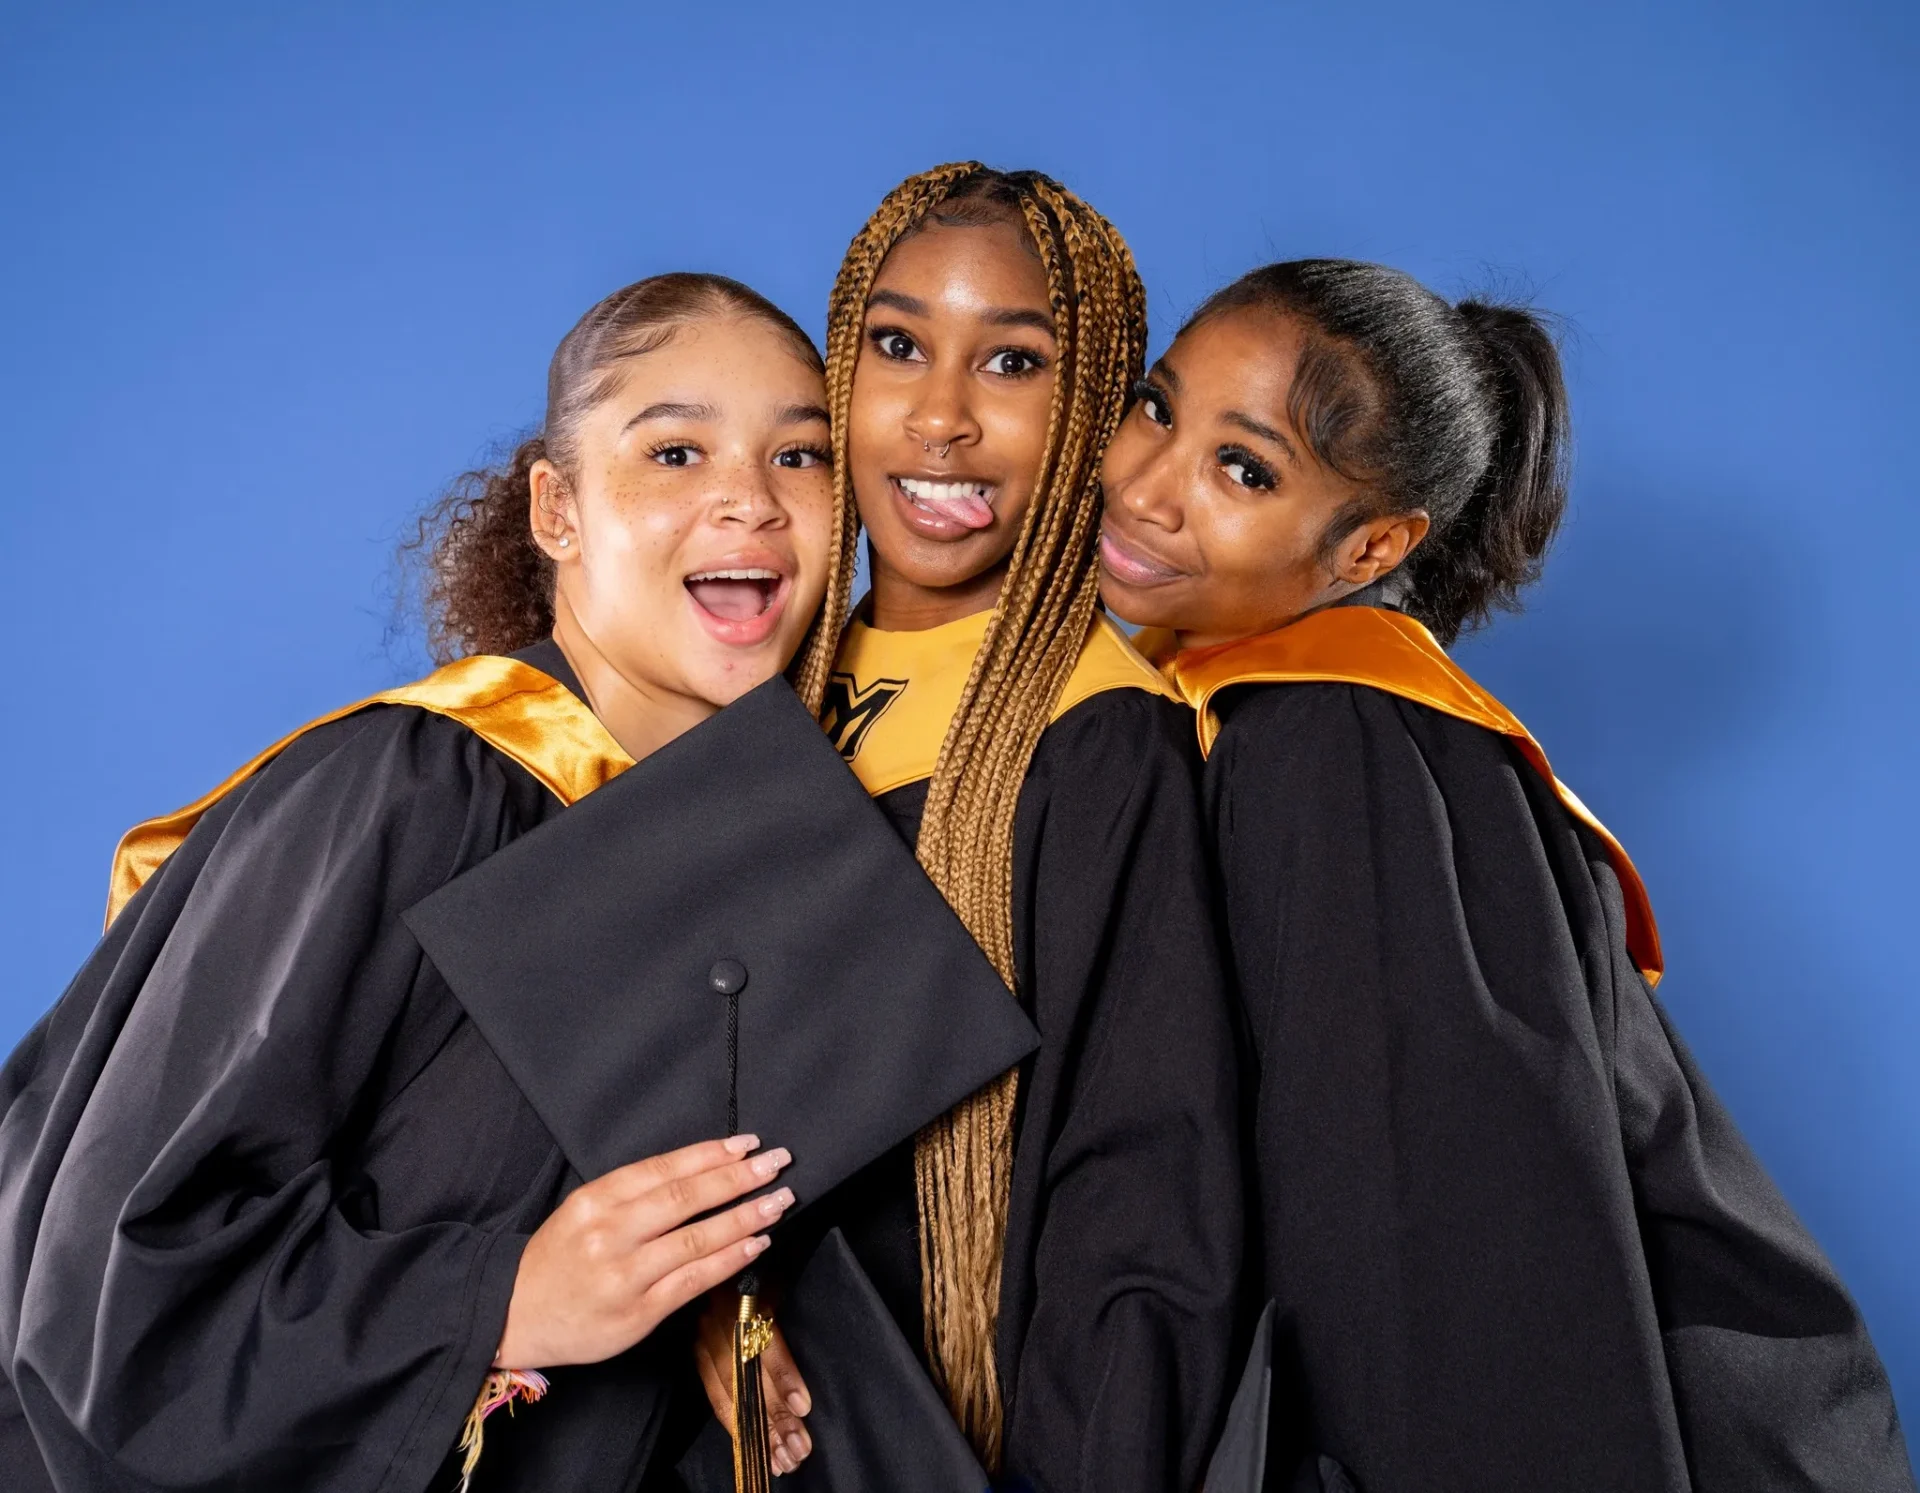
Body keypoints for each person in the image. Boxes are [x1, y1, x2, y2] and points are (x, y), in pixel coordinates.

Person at [0, 272, 1037, 1493]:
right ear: (558, 509)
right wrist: (507, 1301)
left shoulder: (762, 870)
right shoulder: (417, 783)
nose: (750, 501)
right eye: (675, 450)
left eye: (800, 456)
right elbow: (108, 1286)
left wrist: (705, 1309)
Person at [1097, 258, 1917, 1491]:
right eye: (1158, 408)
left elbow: (1449, 1261)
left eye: (1243, 468)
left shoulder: (1338, 745)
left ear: (1369, 543)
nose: (1149, 487)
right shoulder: (1242, 712)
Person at [695, 164, 1244, 1493]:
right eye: (897, 346)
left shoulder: (1100, 736)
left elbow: (1143, 1217)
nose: (938, 418)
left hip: (946, 1445)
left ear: (1095, 418)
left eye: (1011, 363)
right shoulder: (750, 692)